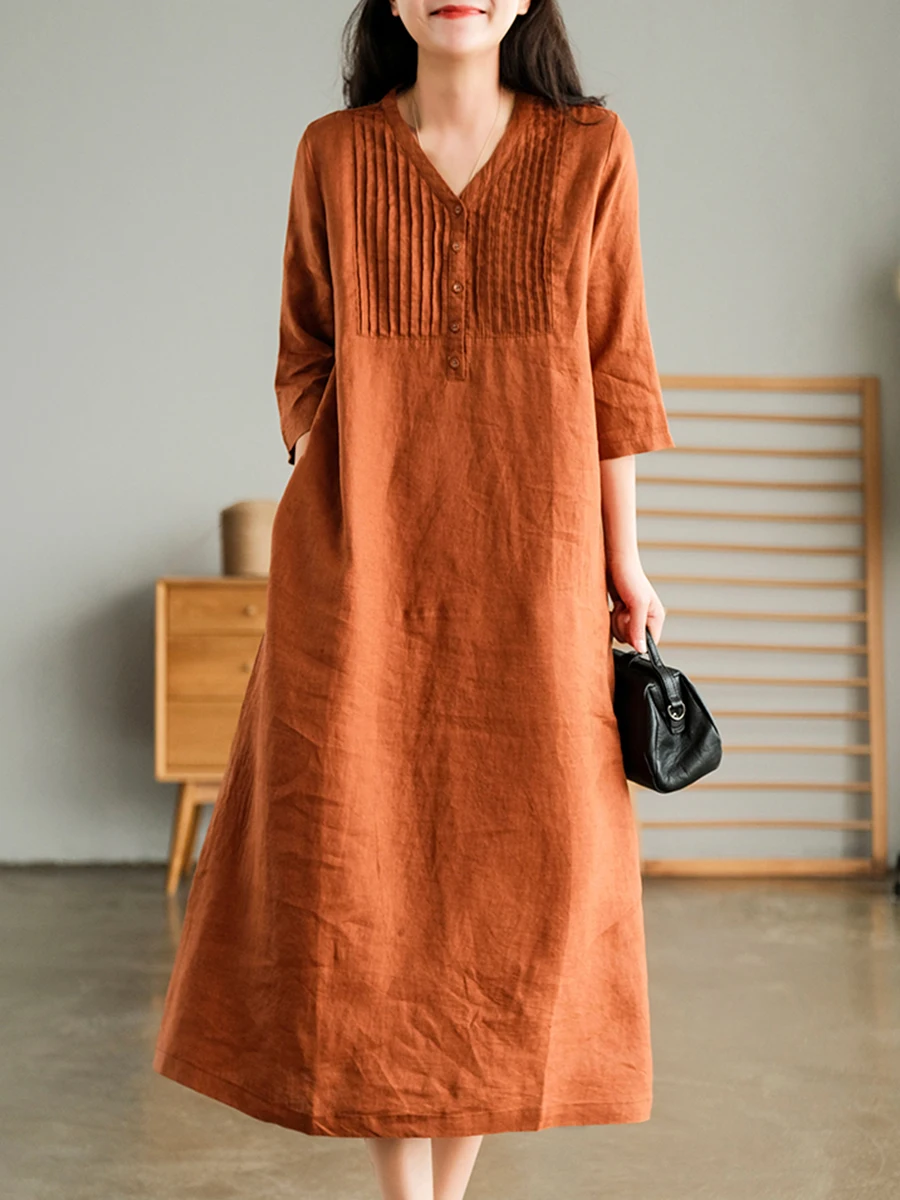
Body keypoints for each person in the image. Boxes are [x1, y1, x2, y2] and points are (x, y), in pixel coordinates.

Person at [152, 2, 676, 1198]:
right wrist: (338, 471)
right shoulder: (334, 154)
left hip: (532, 571)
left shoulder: (591, 149)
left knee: (507, 883)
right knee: (363, 875)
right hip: (359, 580)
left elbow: (617, 369)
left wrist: (625, 561)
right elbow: (302, 356)